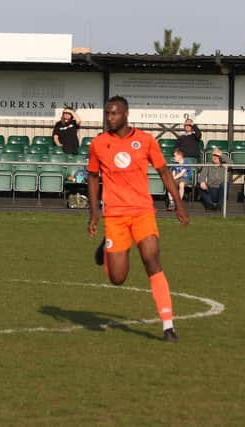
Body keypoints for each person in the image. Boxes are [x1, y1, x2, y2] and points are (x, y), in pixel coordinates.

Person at [87, 96, 189, 343]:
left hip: (143, 211)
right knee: (118, 278)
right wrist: (93, 213)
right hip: (115, 216)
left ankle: (168, 327)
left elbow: (164, 172)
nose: (109, 118)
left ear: (126, 114)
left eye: (114, 113)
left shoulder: (145, 140)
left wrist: (178, 204)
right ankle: (107, 247)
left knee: (152, 260)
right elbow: (92, 177)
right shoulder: (98, 144)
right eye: (107, 113)